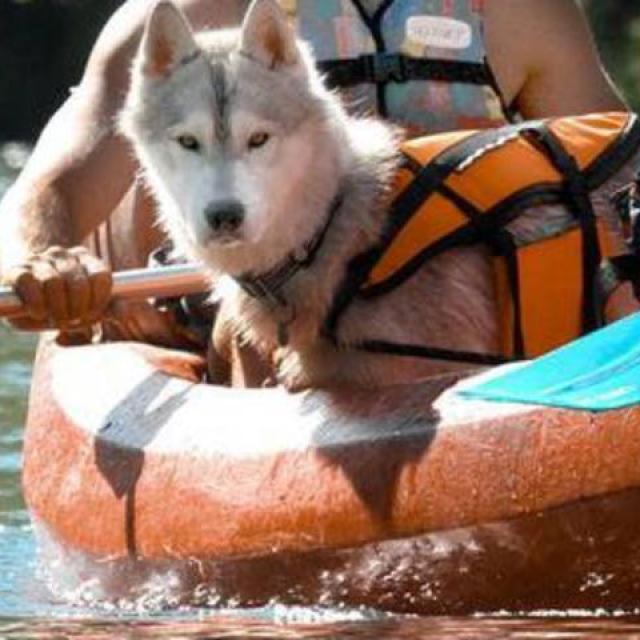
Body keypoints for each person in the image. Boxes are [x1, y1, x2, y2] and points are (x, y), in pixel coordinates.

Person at [0, 0, 627, 349]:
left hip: (484, 325)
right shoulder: (189, 14)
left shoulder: (521, 13)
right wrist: (42, 259)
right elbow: (49, 184)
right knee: (243, 330)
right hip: (261, 322)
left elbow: (620, 176)